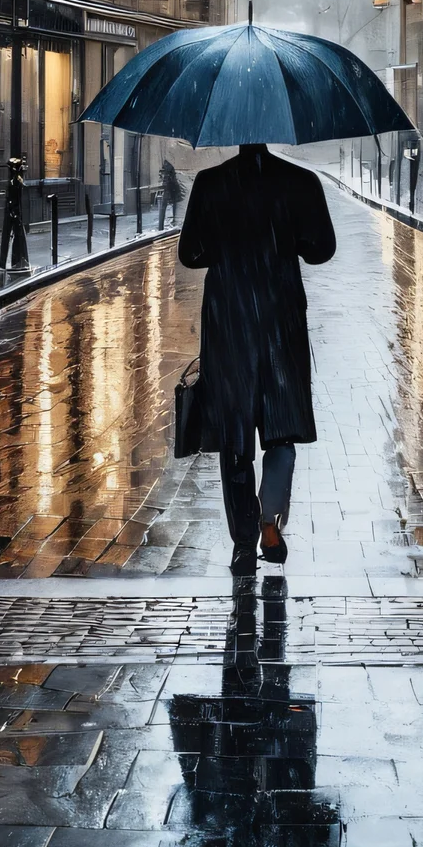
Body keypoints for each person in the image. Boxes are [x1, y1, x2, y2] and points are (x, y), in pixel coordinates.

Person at [177, 143, 336, 576]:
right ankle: (270, 520)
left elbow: (190, 254)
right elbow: (322, 248)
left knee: (235, 438)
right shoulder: (300, 182)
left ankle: (243, 542)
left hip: (230, 326)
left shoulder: (211, 184)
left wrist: (226, 248)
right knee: (281, 430)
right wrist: (288, 237)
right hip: (280, 323)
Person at [158, 155, 183, 230]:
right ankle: (162, 226)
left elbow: (166, 177)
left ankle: (161, 226)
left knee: (164, 206)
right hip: (171, 188)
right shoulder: (168, 164)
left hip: (170, 188)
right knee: (166, 205)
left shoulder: (167, 165)